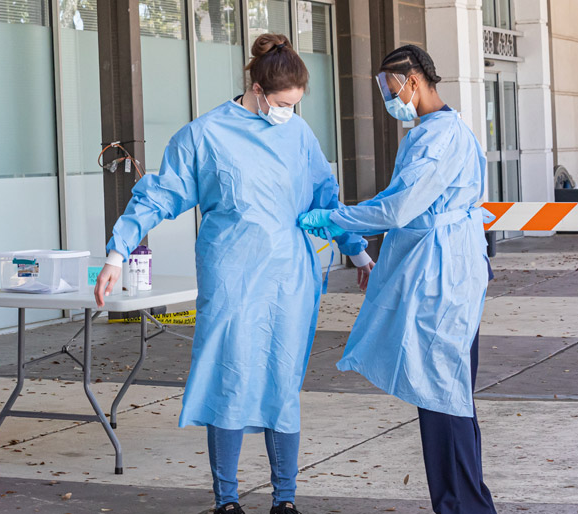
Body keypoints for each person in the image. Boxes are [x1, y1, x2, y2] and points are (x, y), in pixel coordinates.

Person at [93, 34, 374, 514]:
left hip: (290, 279)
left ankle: (285, 500)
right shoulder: (205, 136)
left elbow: (326, 199)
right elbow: (158, 196)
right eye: (283, 103)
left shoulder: (299, 135)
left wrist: (358, 251)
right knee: (230, 380)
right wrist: (117, 253)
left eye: (295, 104)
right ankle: (226, 502)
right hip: (233, 278)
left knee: (282, 384)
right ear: (259, 88)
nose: (288, 112)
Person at [298, 45, 497, 514]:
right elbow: (401, 202)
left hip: (443, 277)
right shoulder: (429, 132)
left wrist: (338, 219)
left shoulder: (438, 139)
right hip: (442, 269)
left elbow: (397, 208)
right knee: (445, 394)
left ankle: (462, 505)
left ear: (413, 80)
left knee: (443, 395)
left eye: (392, 90)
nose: (391, 100)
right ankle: (461, 501)